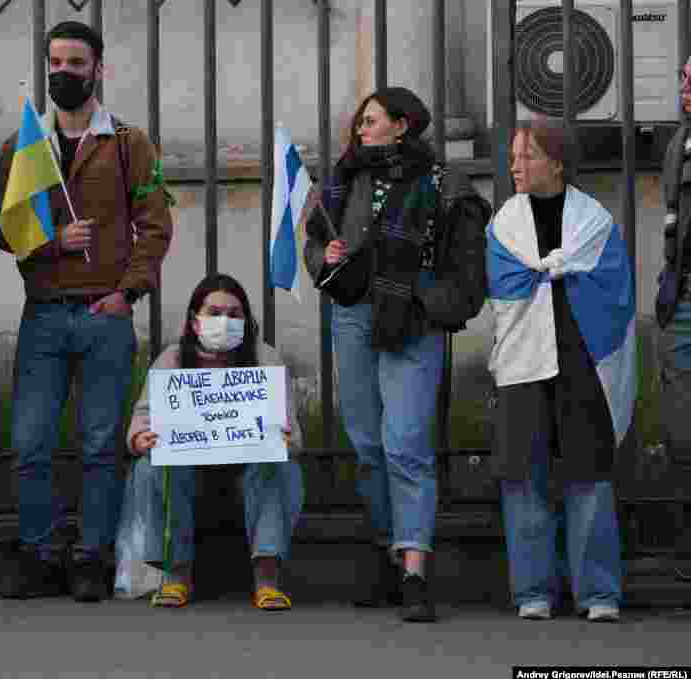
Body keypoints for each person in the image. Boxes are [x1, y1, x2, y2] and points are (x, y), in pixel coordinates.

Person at [0, 20, 173, 603]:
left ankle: (92, 555)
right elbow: (1, 227)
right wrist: (51, 242)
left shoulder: (128, 143)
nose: (63, 72)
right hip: (42, 312)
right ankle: (39, 555)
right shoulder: (23, 146)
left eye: (76, 63)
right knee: (31, 442)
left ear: (98, 69)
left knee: (99, 444)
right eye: (56, 63)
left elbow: (156, 225)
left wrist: (129, 293)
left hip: (105, 315)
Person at [303, 86, 489, 622]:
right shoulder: (345, 178)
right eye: (360, 122)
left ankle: (414, 571)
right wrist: (327, 255)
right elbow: (315, 241)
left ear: (403, 125)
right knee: (366, 444)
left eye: (372, 120)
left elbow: (467, 261)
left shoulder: (442, 182)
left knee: (405, 443)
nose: (361, 129)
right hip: (354, 314)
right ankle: (386, 550)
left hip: (412, 320)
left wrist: (429, 301)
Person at [487, 118, 632, 623]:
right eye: (513, 157)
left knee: (589, 473)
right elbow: (503, 288)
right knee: (523, 473)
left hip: (582, 360)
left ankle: (598, 592)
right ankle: (533, 590)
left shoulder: (594, 222)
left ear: (557, 161)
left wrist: (560, 269)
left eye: (526, 156)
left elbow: (614, 288)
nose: (515, 166)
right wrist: (552, 268)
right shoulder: (504, 224)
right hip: (524, 360)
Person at [124, 273, 303, 610]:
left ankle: (267, 577)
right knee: (152, 466)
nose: (225, 321)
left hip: (249, 468)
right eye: (215, 312)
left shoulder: (265, 358)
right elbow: (142, 419)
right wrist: (140, 438)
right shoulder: (172, 359)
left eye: (235, 314)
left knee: (282, 464)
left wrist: (284, 438)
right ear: (195, 321)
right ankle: (176, 574)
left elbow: (294, 435)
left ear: (246, 321)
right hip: (188, 469)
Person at [657, 57, 691, 472]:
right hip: (682, 289)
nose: (686, 87)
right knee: (680, 425)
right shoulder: (679, 144)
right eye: (683, 78)